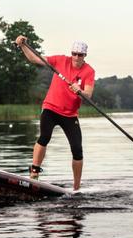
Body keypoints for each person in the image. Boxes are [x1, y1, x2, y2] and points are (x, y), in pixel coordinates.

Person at [15, 36, 95, 191]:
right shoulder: (60, 61)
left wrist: (81, 91)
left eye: (80, 55)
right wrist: (22, 46)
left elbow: (89, 94)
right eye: (74, 53)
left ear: (85, 56)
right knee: (44, 137)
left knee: (77, 149)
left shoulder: (89, 71)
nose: (76, 57)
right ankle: (34, 174)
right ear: (71, 53)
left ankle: (76, 189)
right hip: (51, 108)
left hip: (70, 114)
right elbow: (35, 59)